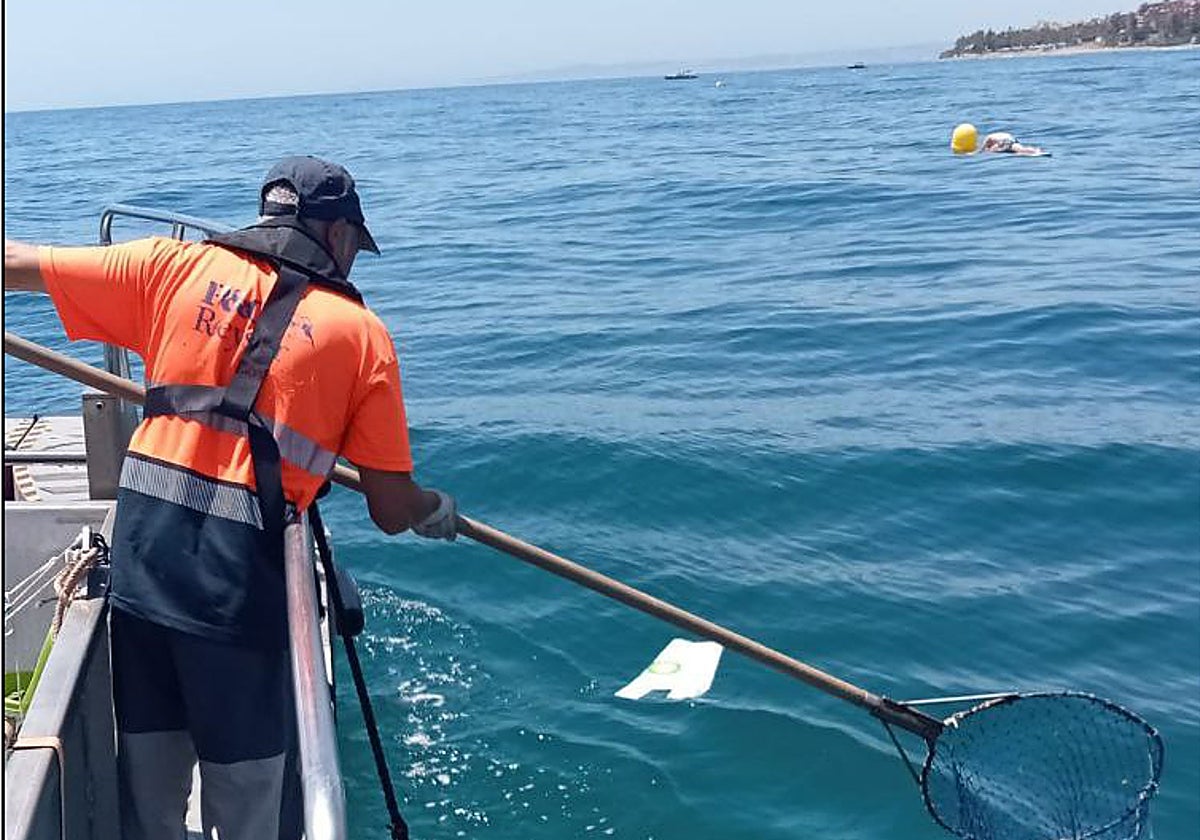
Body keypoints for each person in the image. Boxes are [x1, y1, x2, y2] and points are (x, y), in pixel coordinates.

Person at [3, 155, 458, 840]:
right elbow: (391, 508)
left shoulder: (172, 267)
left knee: (151, 794)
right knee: (246, 804)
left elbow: (15, 262)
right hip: (235, 596)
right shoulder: (359, 336)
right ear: (338, 235)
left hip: (142, 570)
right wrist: (433, 510)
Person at [951, 122, 1047, 156]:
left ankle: (1035, 151)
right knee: (1019, 149)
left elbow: (986, 144)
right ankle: (1034, 150)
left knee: (1019, 149)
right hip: (1010, 139)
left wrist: (978, 152)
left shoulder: (988, 138)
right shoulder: (995, 139)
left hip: (1006, 141)